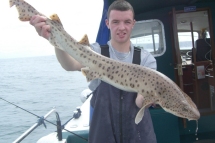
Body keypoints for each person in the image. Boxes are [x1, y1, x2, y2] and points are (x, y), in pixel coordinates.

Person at [30, 0, 157, 142]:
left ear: (133, 23)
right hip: (104, 135)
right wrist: (54, 39)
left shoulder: (146, 60)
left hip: (138, 136)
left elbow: (140, 101)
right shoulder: (95, 52)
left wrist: (153, 98)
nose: (122, 27)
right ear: (107, 23)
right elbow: (70, 64)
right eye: (115, 22)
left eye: (127, 22)